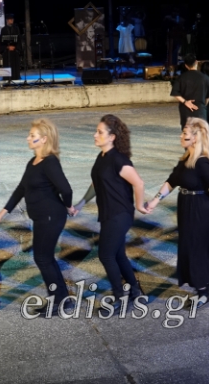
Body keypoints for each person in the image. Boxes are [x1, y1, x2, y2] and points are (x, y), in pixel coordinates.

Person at [0, 120, 76, 316]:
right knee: (46, 258)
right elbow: (21, 189)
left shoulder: (50, 162)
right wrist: (2, 213)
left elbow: (66, 189)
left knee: (42, 258)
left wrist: (69, 206)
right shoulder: (33, 162)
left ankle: (57, 302)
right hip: (41, 218)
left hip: (50, 217)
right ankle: (62, 299)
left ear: (44, 139)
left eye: (32, 136)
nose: (28, 138)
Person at [146, 118, 209, 307]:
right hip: (187, 207)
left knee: (197, 248)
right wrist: (155, 200)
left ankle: (205, 291)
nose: (181, 136)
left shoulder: (201, 161)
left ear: (196, 137)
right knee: (189, 247)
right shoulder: (186, 158)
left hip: (200, 209)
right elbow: (172, 181)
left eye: (185, 133)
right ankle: (202, 287)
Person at [73, 115, 148, 300]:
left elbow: (138, 183)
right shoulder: (102, 157)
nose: (95, 135)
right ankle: (134, 289)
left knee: (106, 255)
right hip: (108, 213)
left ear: (112, 137)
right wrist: (81, 204)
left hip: (119, 214)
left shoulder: (118, 160)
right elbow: (96, 183)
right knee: (118, 254)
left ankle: (119, 296)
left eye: (99, 132)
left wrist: (139, 205)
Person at [170, 54, 209, 129]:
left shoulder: (181, 78)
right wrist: (203, 106)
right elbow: (208, 97)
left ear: (186, 65)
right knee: (200, 133)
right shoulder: (205, 78)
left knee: (187, 132)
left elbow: (175, 93)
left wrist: (185, 102)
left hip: (186, 111)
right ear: (196, 62)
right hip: (200, 110)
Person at [0, 14, 21, 79]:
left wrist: (15, 47)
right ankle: (7, 77)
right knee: (7, 63)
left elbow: (19, 40)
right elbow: (1, 41)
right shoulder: (3, 29)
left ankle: (16, 77)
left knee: (15, 64)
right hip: (7, 50)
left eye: (12, 19)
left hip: (15, 50)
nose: (11, 20)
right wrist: (7, 47)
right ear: (7, 20)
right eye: (10, 19)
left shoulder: (16, 29)